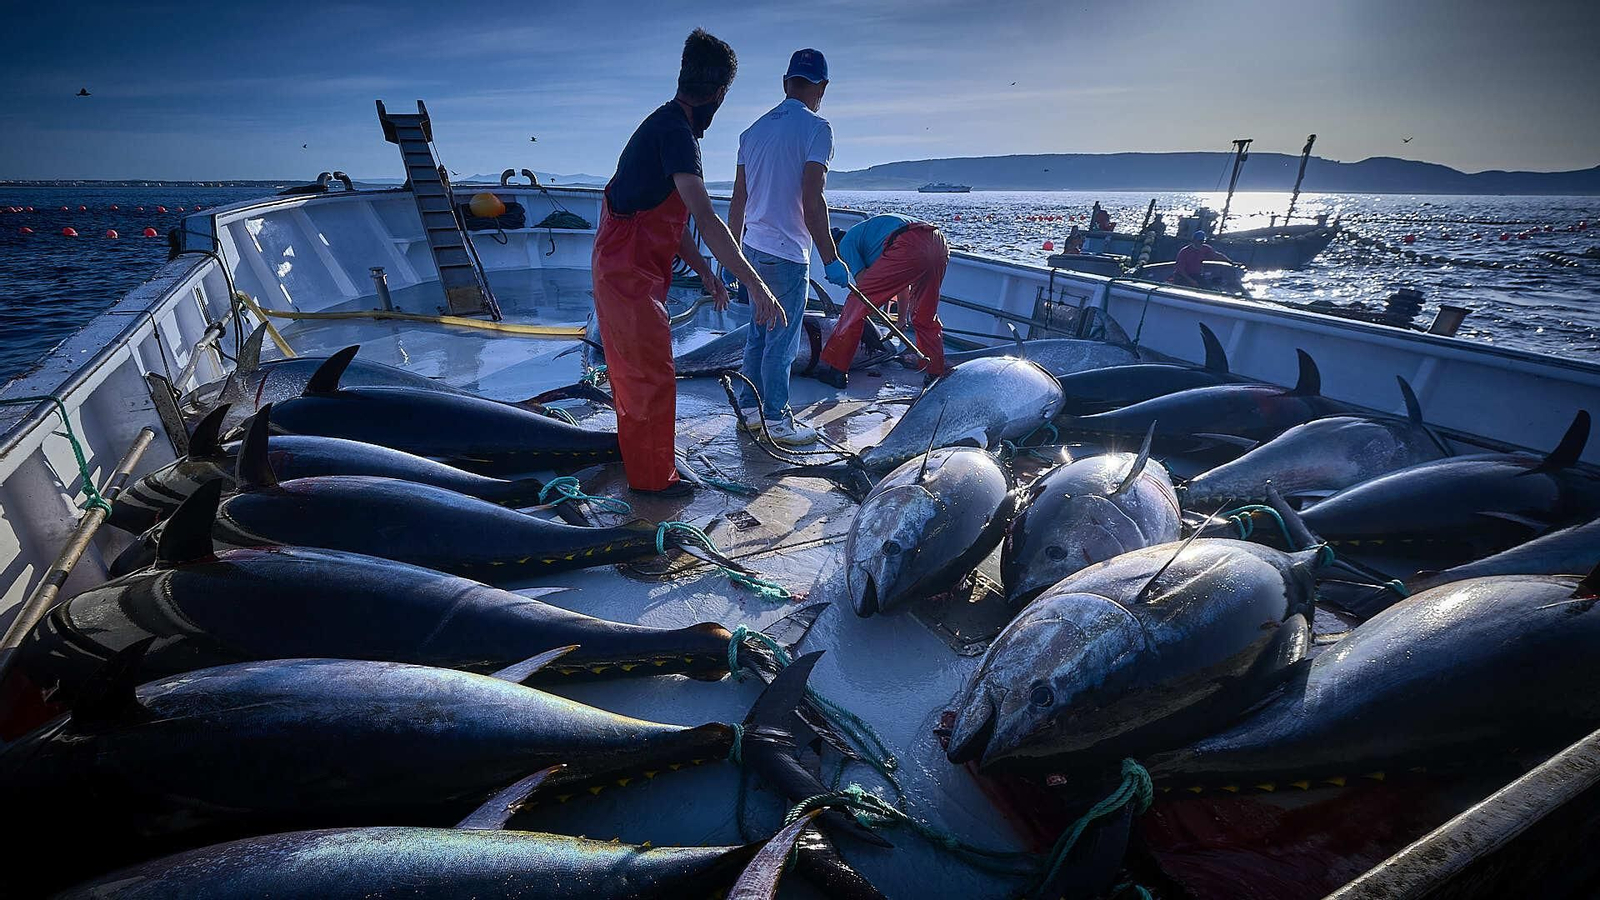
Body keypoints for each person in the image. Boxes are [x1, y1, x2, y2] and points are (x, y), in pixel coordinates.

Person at [591, 29, 786, 496]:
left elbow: (670, 223)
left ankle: (642, 458)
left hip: (628, 271)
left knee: (638, 375)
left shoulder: (662, 126)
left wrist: (703, 272)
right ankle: (653, 484)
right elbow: (706, 219)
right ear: (719, 94)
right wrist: (756, 285)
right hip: (627, 275)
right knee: (648, 378)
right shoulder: (677, 134)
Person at [726, 48, 844, 445]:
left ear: (785, 83)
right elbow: (812, 201)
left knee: (757, 334)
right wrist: (831, 257)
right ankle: (776, 419)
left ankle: (749, 410)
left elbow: (738, 198)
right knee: (782, 337)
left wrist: (732, 253)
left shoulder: (752, 132)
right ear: (821, 87)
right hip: (788, 254)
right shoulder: (818, 129)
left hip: (752, 249)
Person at [811, 214, 950, 387]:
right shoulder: (871, 242)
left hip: (908, 242)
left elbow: (863, 295)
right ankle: (935, 373)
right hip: (938, 242)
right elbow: (902, 284)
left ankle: (836, 371)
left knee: (855, 304)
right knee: (925, 315)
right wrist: (900, 322)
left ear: (835, 247)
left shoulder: (845, 244)